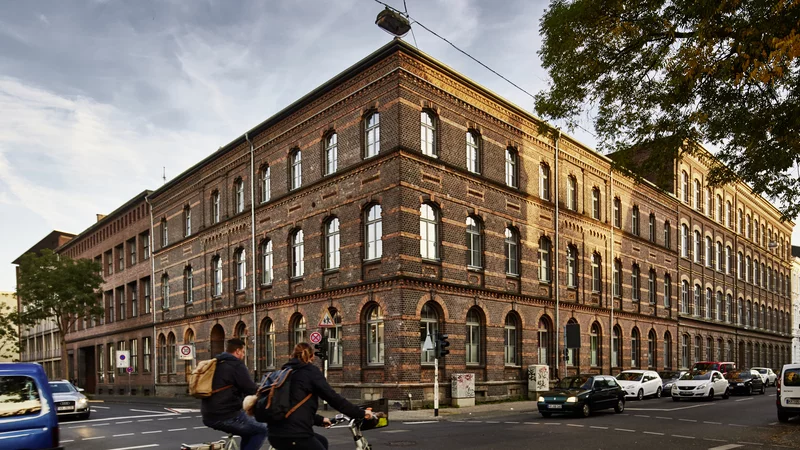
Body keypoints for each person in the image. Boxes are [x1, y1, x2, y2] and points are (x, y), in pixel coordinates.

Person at [267, 343, 372, 450]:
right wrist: (361, 413)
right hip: (295, 435)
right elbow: (333, 398)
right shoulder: (310, 372)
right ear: (312, 357)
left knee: (322, 441)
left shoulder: (283, 373)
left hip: (274, 434)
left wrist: (319, 420)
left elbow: (292, 408)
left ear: (292, 355)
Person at [201, 338, 268, 450]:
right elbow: (250, 388)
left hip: (208, 414)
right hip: (226, 415)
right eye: (242, 352)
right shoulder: (236, 365)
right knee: (262, 429)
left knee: (249, 431)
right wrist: (267, 393)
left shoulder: (216, 362)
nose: (243, 355)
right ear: (237, 351)